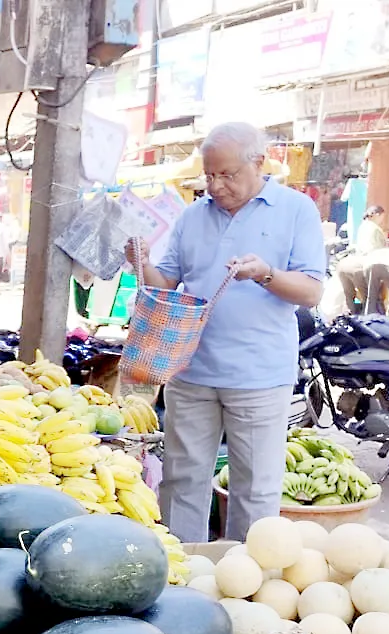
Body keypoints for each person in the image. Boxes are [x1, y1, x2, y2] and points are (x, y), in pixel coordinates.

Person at [125, 122, 325, 543]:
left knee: (255, 490)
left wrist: (266, 274)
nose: (215, 186)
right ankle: (183, 567)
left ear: (259, 163)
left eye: (227, 175)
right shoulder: (193, 216)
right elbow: (166, 284)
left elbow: (311, 291)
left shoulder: (296, 209)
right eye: (209, 175)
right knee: (181, 481)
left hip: (259, 376)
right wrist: (142, 263)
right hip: (191, 371)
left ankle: (245, 573)